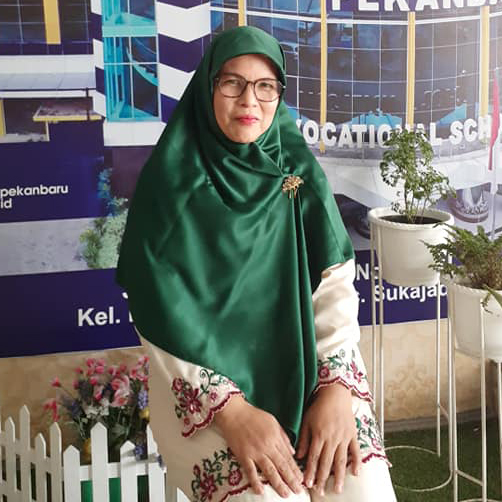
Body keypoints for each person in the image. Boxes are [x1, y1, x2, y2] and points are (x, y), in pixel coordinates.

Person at [116, 26, 396, 502]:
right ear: (208, 88)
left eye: (266, 86)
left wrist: (336, 390)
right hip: (212, 393)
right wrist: (233, 413)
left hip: (311, 374)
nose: (250, 100)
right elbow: (158, 314)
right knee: (270, 496)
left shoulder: (296, 171)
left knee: (361, 487)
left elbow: (332, 284)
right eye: (233, 83)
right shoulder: (170, 186)